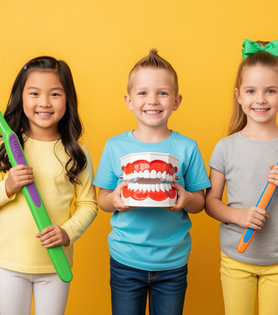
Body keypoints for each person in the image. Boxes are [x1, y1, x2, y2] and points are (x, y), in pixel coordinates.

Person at [0, 56, 98, 315]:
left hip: (55, 265)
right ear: (22, 97)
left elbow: (88, 204)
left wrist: (67, 232)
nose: (44, 102)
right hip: (10, 265)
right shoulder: (4, 148)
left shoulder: (77, 152)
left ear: (68, 100)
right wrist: (7, 186)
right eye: (34, 93)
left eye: (55, 94)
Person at [205, 39, 278, 315]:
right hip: (236, 259)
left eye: (270, 91)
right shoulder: (226, 147)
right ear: (239, 95)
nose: (260, 99)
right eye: (251, 91)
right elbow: (210, 203)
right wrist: (239, 216)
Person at [93, 49, 211, 315]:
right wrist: (114, 201)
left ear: (176, 101)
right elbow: (101, 199)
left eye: (163, 93)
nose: (153, 101)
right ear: (129, 101)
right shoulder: (114, 146)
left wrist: (186, 199)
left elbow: (200, 202)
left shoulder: (188, 147)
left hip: (173, 262)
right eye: (143, 93)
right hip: (125, 259)